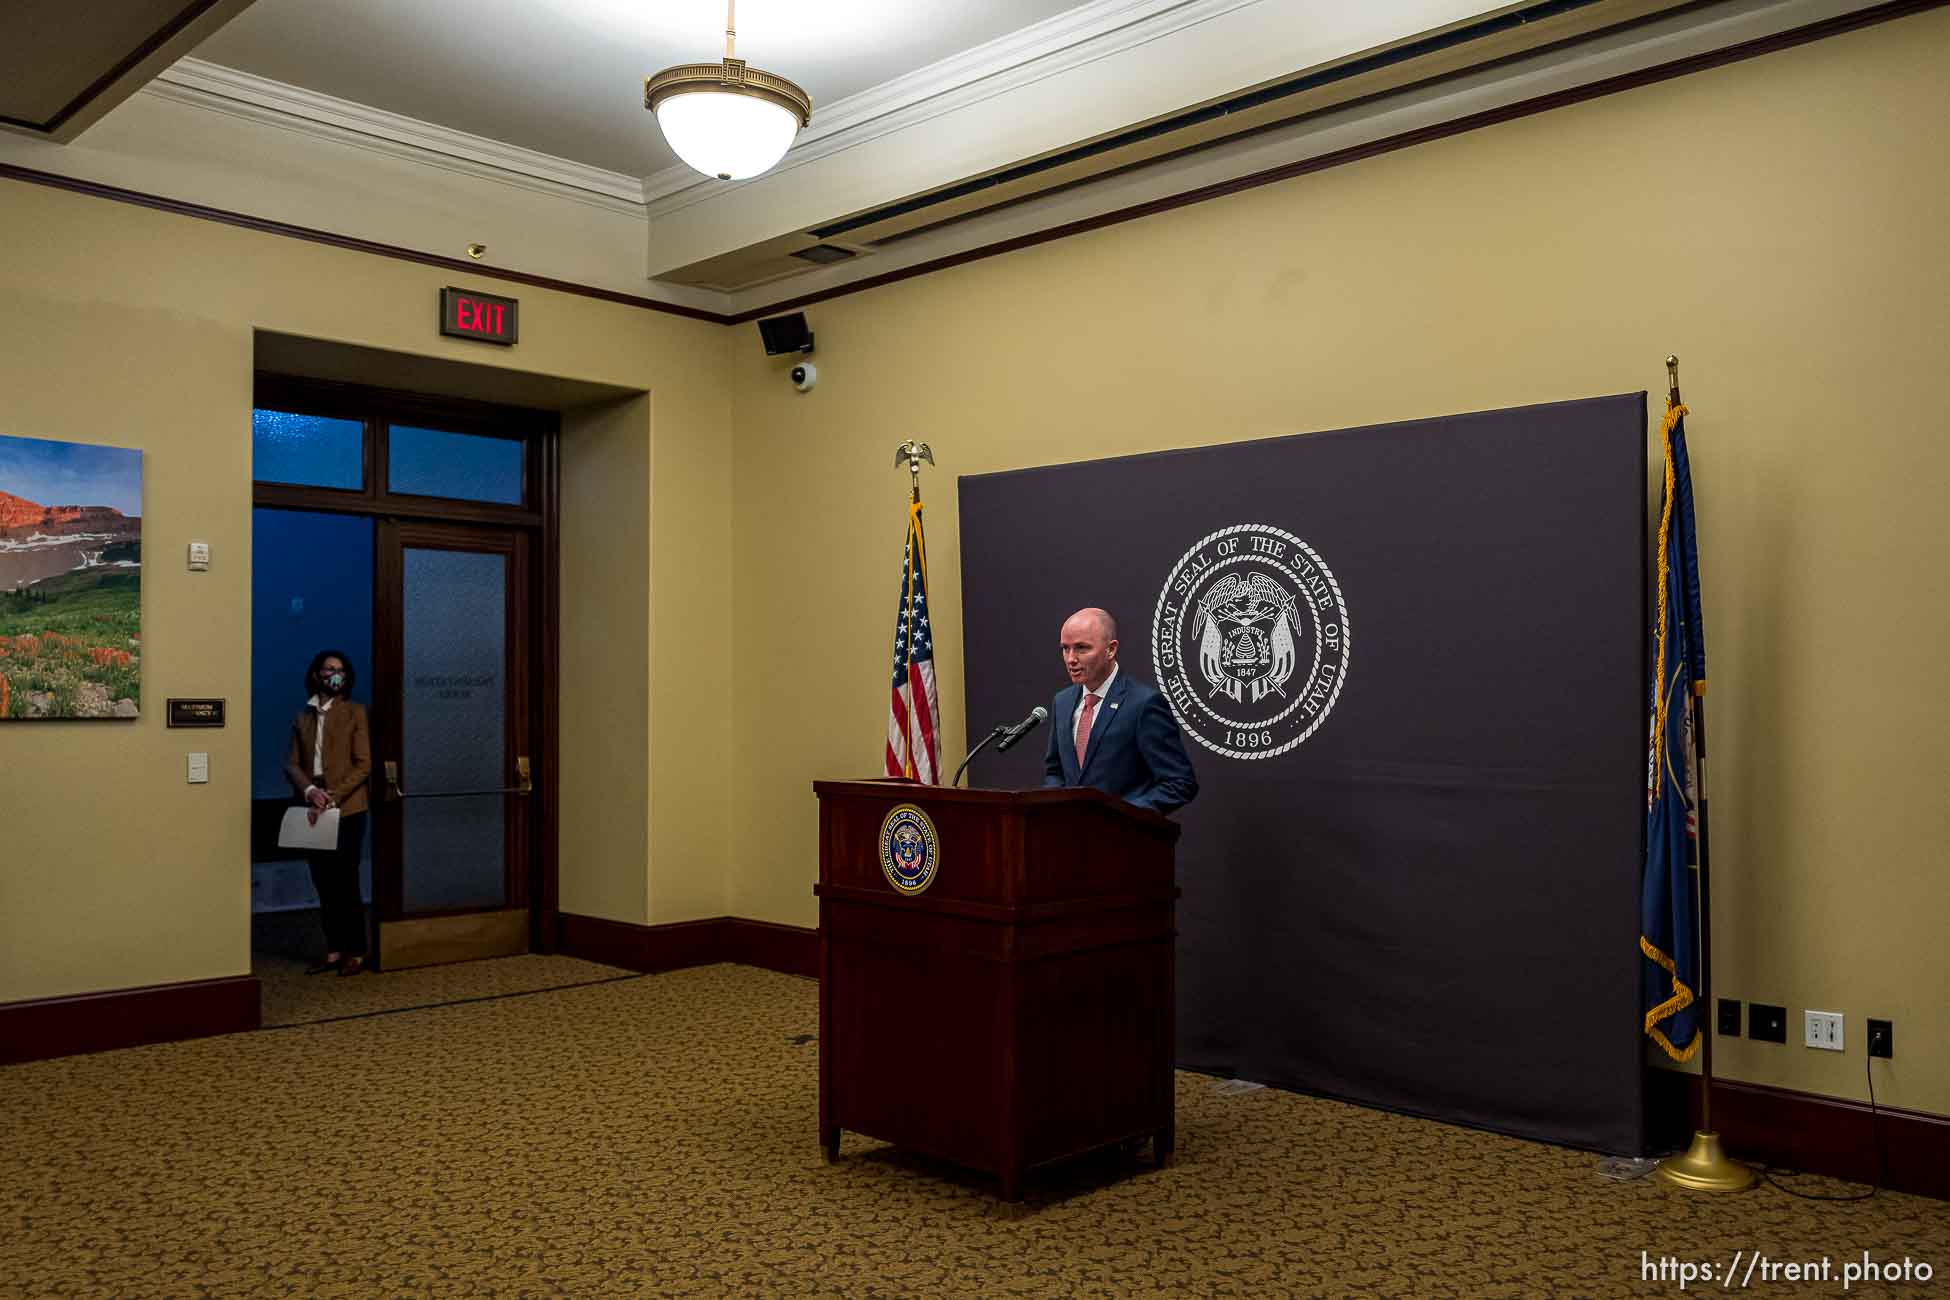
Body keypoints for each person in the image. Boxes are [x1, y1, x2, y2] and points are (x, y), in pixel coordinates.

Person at [1043, 607, 1198, 814]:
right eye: (1065, 648)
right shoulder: (1062, 702)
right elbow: (1056, 771)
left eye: (1081, 648)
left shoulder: (1144, 704)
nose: (1071, 659)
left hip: (1124, 838)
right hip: (1071, 838)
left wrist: (1122, 815)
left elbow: (1179, 782)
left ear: (1111, 649)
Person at [283, 649, 373, 976]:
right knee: (322, 881)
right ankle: (333, 948)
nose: (334, 675)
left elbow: (364, 764)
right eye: (328, 669)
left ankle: (357, 950)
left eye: (340, 670)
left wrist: (333, 796)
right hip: (312, 807)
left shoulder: (355, 713)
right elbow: (292, 763)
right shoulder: (302, 717)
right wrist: (310, 791)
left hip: (347, 808)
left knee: (345, 880)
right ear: (316, 674)